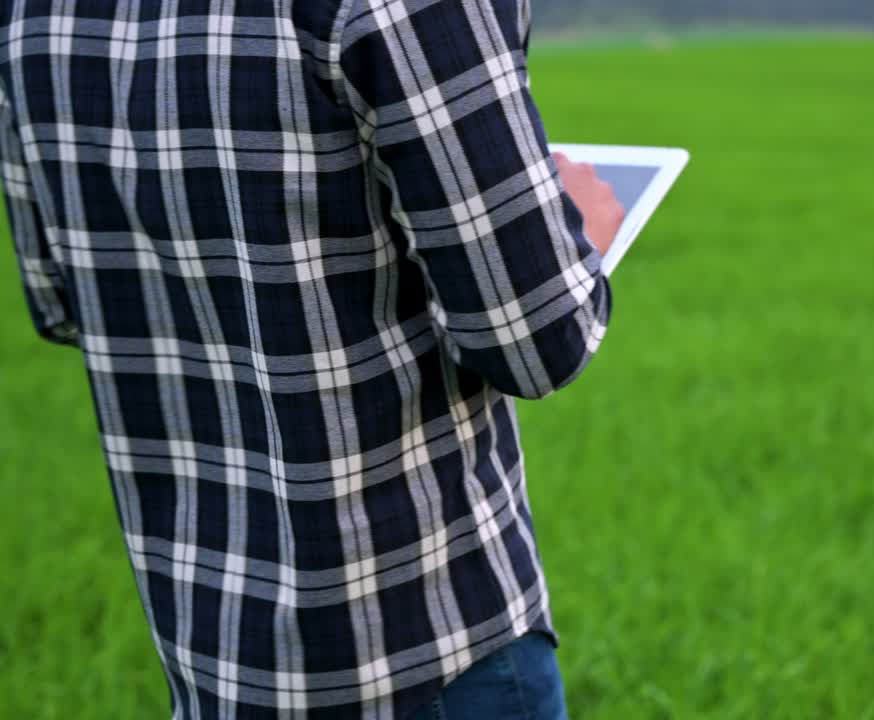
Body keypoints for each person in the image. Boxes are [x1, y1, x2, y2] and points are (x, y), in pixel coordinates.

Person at [0, 1, 625, 718]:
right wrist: (579, 229)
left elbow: (60, 298)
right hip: (430, 650)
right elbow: (537, 342)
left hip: (211, 650)